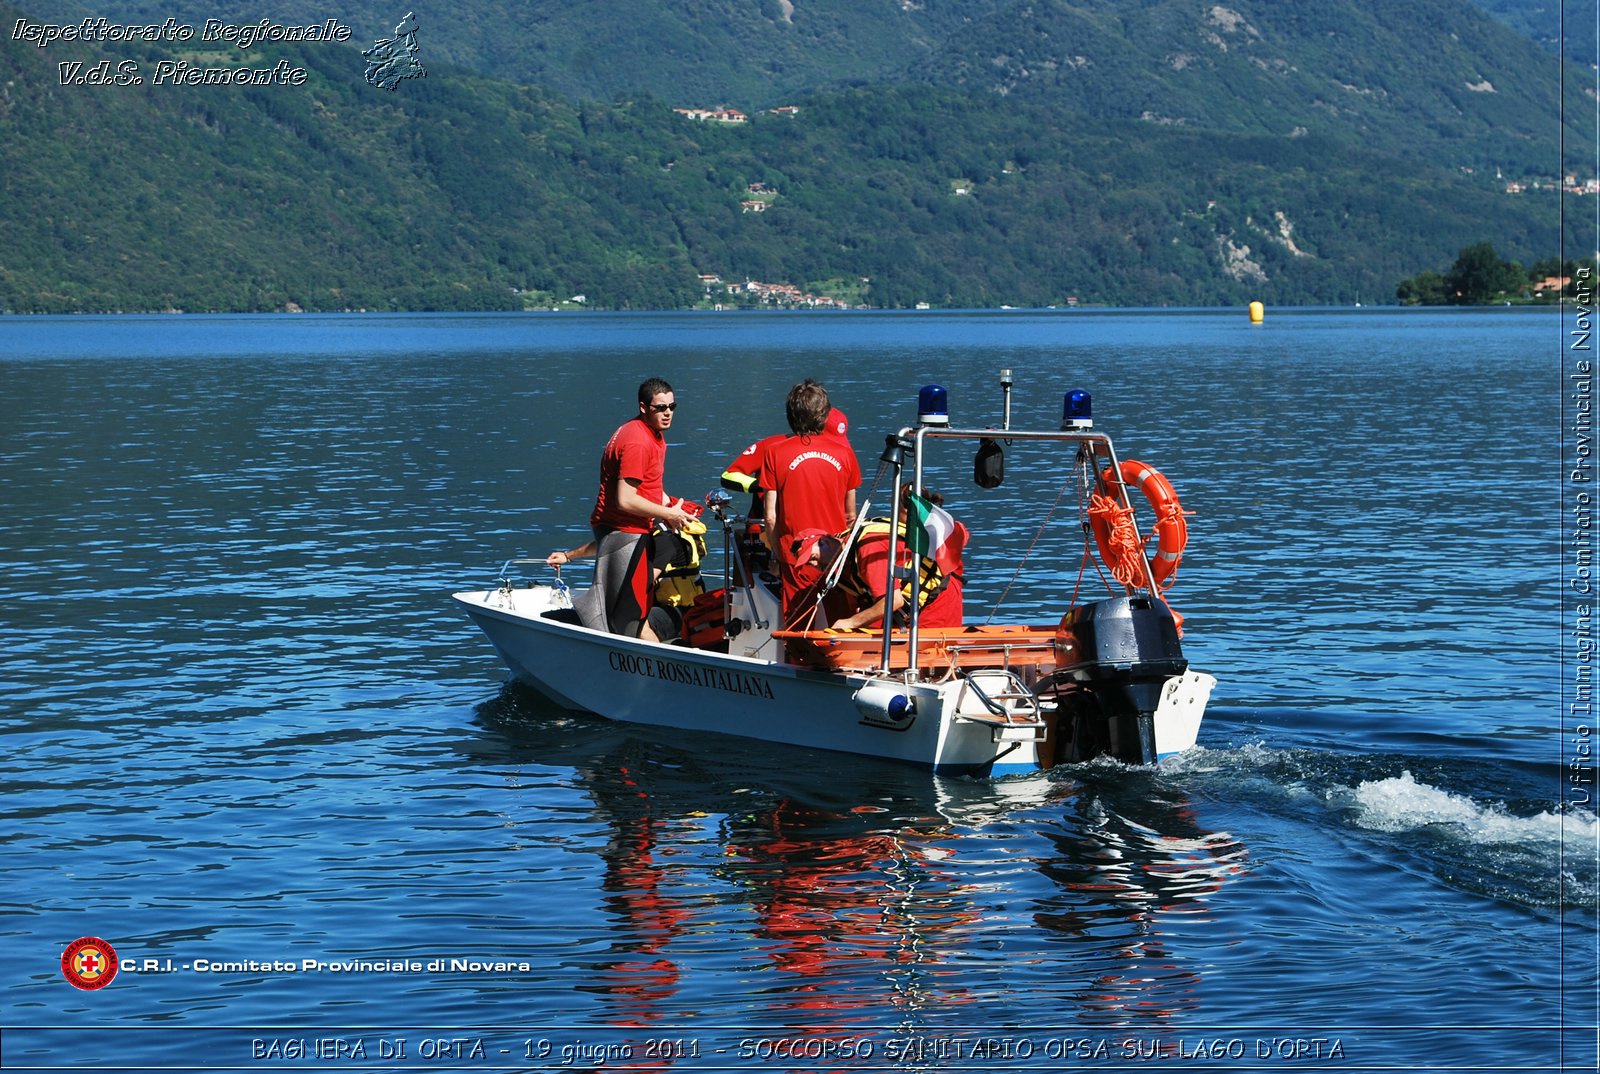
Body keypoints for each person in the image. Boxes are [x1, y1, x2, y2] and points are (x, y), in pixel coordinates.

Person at [558, 378, 696, 642]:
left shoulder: (647, 433)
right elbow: (626, 500)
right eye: (660, 408)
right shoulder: (638, 441)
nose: (668, 413)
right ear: (644, 407)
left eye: (672, 406)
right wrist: (669, 515)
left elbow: (648, 485)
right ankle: (650, 671)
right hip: (625, 534)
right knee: (627, 620)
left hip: (631, 531)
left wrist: (671, 505)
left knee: (637, 606)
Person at [757, 380, 860, 620]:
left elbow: (770, 516)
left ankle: (797, 657)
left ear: (790, 416)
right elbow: (851, 516)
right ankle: (838, 657)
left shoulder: (774, 452)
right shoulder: (845, 454)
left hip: (795, 552)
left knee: (797, 620)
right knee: (840, 621)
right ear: (824, 416)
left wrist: (777, 553)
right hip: (834, 552)